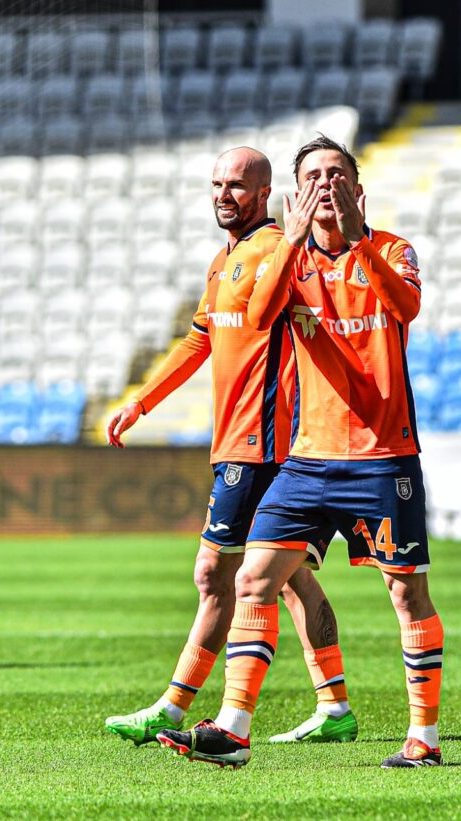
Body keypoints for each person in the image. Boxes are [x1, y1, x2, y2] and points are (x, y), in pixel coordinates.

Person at [157, 136, 444, 769]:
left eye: (336, 175)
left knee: (406, 595)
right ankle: (234, 728)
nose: (325, 185)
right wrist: (289, 240)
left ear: (357, 187)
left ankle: (422, 737)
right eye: (313, 176)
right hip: (307, 460)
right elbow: (257, 319)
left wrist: (358, 237)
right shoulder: (290, 261)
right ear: (294, 192)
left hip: (381, 456)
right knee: (254, 579)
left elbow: (407, 307)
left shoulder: (393, 250)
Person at [103, 147, 358, 746]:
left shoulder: (277, 251)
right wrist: (142, 402)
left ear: (265, 192)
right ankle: (335, 704)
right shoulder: (224, 260)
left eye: (237, 185)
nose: (223, 194)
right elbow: (199, 343)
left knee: (215, 573)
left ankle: (173, 706)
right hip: (238, 441)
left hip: (263, 443)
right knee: (287, 577)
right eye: (216, 184)